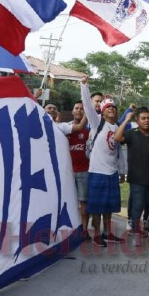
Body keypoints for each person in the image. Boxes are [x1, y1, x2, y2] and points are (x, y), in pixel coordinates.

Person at [115, 107, 149, 246]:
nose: (147, 121)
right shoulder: (131, 133)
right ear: (137, 120)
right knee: (137, 207)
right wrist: (126, 119)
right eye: (143, 118)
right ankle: (135, 232)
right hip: (137, 180)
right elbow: (117, 137)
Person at [80, 78, 125, 247]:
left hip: (112, 173)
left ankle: (108, 233)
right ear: (102, 111)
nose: (111, 110)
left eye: (113, 107)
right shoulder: (97, 122)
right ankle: (97, 234)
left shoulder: (118, 127)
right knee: (97, 207)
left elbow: (119, 152)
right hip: (97, 172)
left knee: (108, 207)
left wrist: (121, 171)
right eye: (108, 108)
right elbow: (87, 105)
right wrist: (84, 86)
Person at [64, 101, 91, 241]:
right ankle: (69, 230)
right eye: (77, 108)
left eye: (82, 109)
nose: (79, 111)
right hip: (67, 172)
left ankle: (84, 230)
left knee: (84, 203)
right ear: (72, 111)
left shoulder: (88, 131)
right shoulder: (64, 129)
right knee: (68, 202)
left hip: (84, 172)